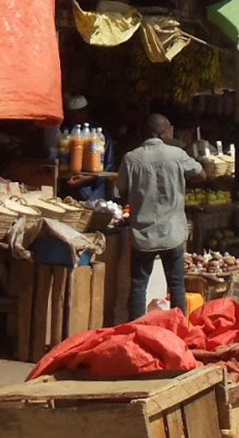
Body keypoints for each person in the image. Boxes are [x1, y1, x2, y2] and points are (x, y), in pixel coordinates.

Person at [117, 114, 205, 320]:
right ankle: (179, 330)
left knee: (139, 285)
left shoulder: (131, 158)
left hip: (143, 234)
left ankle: (137, 329)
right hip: (172, 232)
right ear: (164, 131)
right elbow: (202, 175)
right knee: (176, 284)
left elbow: (122, 190)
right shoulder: (176, 155)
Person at [63, 94, 116, 201]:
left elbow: (108, 165)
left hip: (94, 193)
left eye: (79, 112)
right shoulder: (65, 132)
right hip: (68, 191)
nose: (75, 117)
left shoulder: (98, 135)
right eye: (72, 114)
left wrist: (89, 178)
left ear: (85, 112)